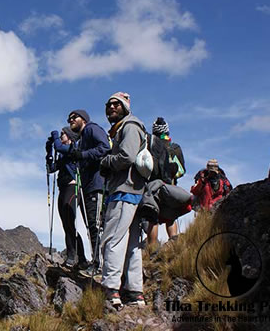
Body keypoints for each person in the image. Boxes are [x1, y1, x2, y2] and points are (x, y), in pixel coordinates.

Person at [98, 92, 146, 308]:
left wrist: (106, 161)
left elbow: (126, 156)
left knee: (113, 239)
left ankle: (111, 289)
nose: (111, 108)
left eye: (116, 104)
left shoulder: (129, 126)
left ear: (126, 107)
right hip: (135, 192)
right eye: (108, 105)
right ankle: (135, 293)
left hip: (124, 190)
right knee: (133, 244)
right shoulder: (127, 127)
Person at [64, 109, 110, 275]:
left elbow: (105, 147)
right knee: (92, 226)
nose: (71, 120)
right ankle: (97, 262)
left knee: (95, 225)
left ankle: (100, 265)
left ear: (83, 119)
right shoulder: (82, 138)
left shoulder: (91, 129)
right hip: (88, 186)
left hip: (96, 185)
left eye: (74, 117)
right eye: (69, 118)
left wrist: (83, 155)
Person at [46, 126, 88, 268]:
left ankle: (76, 258)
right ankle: (77, 258)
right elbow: (51, 169)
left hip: (73, 188)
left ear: (69, 137)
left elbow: (59, 147)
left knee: (70, 223)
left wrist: (55, 136)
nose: (61, 136)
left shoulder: (72, 150)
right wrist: (48, 152)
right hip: (63, 189)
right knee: (66, 225)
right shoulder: (63, 154)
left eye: (63, 134)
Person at [146, 117, 187, 245]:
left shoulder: (149, 145)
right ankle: (173, 244)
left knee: (153, 218)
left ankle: (151, 248)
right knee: (171, 218)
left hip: (153, 185)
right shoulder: (175, 148)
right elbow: (182, 170)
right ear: (167, 131)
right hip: (170, 186)